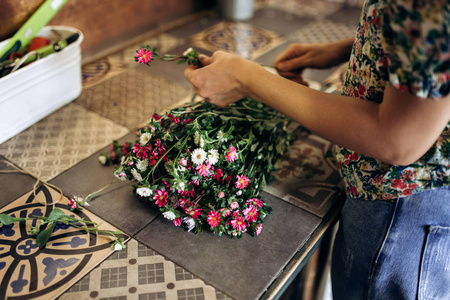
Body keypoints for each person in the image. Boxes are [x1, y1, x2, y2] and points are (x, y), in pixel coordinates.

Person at [184, 0, 449, 299]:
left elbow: (396, 140)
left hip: (405, 214)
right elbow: (424, 40)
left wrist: (246, 78)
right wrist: (351, 48)